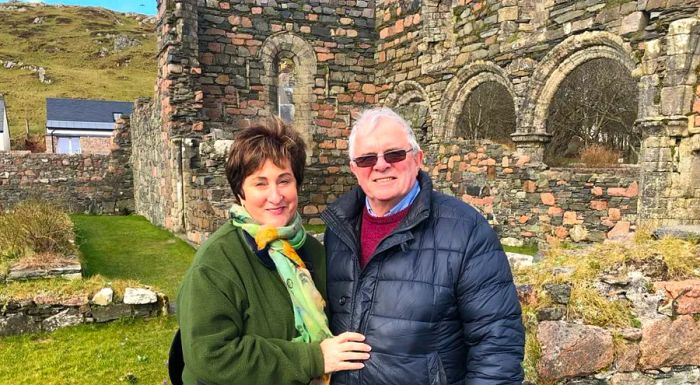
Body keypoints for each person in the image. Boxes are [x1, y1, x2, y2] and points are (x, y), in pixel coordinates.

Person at [321, 108, 525, 385]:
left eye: (394, 154)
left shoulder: (465, 230)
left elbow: (497, 345)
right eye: (367, 158)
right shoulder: (338, 230)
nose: (380, 165)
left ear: (418, 159)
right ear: (354, 169)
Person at [176, 118, 371, 385]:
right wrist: (313, 359)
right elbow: (210, 355)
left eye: (284, 180)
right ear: (240, 192)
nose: (276, 195)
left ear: (297, 184)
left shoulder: (311, 251)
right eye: (260, 183)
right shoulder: (216, 263)